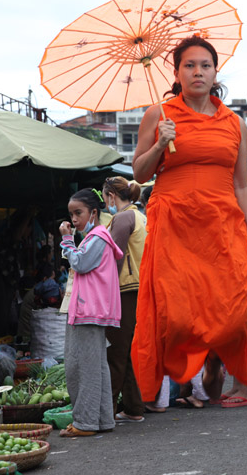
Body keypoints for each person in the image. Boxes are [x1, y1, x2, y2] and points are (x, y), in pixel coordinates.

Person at [131, 35, 247, 409]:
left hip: (223, 223)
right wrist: (160, 145)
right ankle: (191, 364)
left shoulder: (234, 123)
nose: (197, 71)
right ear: (177, 72)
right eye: (189, 65)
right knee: (175, 313)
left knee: (234, 309)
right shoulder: (158, 114)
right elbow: (141, 175)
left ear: (215, 72)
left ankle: (215, 359)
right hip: (174, 222)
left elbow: (242, 183)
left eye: (205, 65)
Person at [58, 188, 123, 437]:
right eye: (71, 214)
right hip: (89, 309)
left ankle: (85, 423)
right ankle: (102, 420)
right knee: (95, 367)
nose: (74, 219)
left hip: (89, 310)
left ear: (93, 213)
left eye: (78, 213)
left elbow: (80, 263)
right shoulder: (94, 237)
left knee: (81, 367)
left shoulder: (98, 237)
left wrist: (66, 239)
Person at [102, 176, 146, 424]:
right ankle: (132, 407)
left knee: (116, 353)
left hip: (124, 290)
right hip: (139, 289)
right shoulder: (139, 215)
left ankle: (106, 411)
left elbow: (113, 259)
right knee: (126, 352)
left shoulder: (123, 217)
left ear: (111, 196)